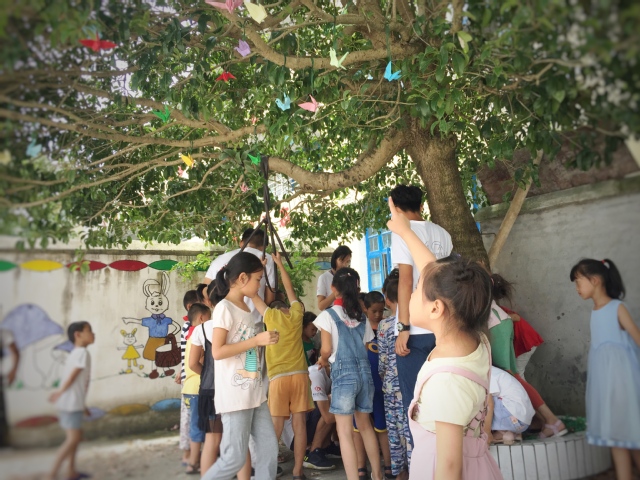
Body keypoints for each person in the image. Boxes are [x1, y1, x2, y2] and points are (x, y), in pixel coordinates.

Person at [386, 197, 501, 480]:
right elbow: (432, 270)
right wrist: (406, 232)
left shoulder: (447, 381)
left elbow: (449, 468)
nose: (411, 294)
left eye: (416, 290)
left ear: (436, 308)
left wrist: (406, 232)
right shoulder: (473, 341)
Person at [201, 252, 280, 480]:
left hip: (255, 394)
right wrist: (256, 341)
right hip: (235, 397)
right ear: (243, 278)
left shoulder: (244, 306)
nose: (259, 285)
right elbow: (217, 351)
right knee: (234, 458)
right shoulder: (224, 308)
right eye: (257, 279)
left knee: (268, 451)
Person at [388, 185, 453, 440]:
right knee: (445, 399)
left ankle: (424, 457)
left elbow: (405, 281)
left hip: (415, 330)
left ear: (395, 208)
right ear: (421, 204)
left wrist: (403, 327)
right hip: (442, 327)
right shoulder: (442, 233)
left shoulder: (402, 232)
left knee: (416, 403)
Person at [571, 258, 640, 480]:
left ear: (595, 280)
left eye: (578, 281)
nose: (577, 288)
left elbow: (637, 339)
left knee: (631, 435)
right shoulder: (595, 311)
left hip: (623, 384)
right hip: (606, 387)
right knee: (616, 436)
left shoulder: (617, 308)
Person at [313, 268, 383, 480]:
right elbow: (366, 344)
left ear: (333, 288)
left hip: (344, 376)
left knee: (344, 433)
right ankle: (377, 474)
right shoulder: (361, 316)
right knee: (366, 426)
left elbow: (326, 349)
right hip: (365, 374)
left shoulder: (328, 315)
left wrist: (322, 360)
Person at [252, 252, 311, 480]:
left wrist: (260, 270)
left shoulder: (270, 316)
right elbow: (289, 288)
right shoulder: (297, 314)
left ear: (274, 308)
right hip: (300, 376)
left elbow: (254, 294)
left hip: (278, 379)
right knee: (300, 425)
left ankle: (266, 472)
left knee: (275, 428)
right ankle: (298, 471)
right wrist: (278, 264)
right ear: (286, 306)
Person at [486, 300, 566, 439]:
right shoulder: (499, 309)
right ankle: (540, 421)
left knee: (509, 376)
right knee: (512, 377)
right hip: (497, 322)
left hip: (492, 323)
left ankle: (549, 419)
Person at [46, 322, 95, 480]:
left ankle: (71, 471)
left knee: (76, 436)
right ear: (78, 335)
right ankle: (51, 475)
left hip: (72, 403)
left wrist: (83, 405)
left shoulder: (75, 353)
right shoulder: (82, 353)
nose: (93, 334)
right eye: (89, 331)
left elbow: (78, 383)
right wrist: (60, 392)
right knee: (73, 438)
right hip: (70, 403)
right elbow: (73, 376)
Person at [203, 228, 276, 323]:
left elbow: (204, 291)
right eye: (258, 279)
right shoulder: (268, 260)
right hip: (256, 322)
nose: (259, 285)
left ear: (241, 243)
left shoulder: (220, 259)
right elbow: (270, 299)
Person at [355, 291, 392, 479]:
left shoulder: (386, 327)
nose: (378, 315)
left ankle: (388, 466)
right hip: (362, 384)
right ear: (365, 309)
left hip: (380, 386)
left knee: (382, 427)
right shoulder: (360, 328)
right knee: (358, 428)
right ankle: (361, 467)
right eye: (374, 311)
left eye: (381, 310)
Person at [378, 270, 410, 480]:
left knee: (395, 434)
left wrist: (385, 376)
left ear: (387, 300)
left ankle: (400, 474)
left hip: (391, 389)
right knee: (412, 431)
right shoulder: (415, 323)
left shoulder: (384, 325)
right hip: (412, 386)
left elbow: (382, 361)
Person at [490, 274, 543, 380]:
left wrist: (506, 318)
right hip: (525, 340)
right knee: (517, 373)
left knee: (518, 373)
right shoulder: (498, 309)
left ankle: (523, 390)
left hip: (526, 341)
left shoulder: (499, 312)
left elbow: (516, 318)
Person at [181, 303, 211, 474]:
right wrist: (208, 377)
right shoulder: (200, 337)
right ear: (201, 318)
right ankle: (194, 462)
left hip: (189, 389)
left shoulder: (190, 336)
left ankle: (196, 461)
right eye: (209, 317)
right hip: (197, 389)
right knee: (200, 427)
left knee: (196, 425)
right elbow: (196, 363)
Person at [176, 289, 199, 466]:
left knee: (192, 419)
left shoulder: (189, 327)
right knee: (189, 419)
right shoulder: (189, 327)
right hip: (191, 379)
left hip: (189, 376)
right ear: (191, 307)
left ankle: (193, 455)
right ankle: (187, 454)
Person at [488, 366, 535, 445]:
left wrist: (486, 432)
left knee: (485, 399)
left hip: (513, 418)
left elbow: (490, 404)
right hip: (522, 422)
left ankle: (498, 434)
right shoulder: (494, 371)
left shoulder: (488, 374)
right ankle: (510, 433)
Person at [317, 246, 352, 311]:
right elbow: (321, 306)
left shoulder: (350, 276)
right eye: (341, 261)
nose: (344, 265)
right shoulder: (324, 278)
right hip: (332, 313)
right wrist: (337, 292)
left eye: (347, 261)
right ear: (335, 259)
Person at [0, 327, 19, 447]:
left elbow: (15, 351)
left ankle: (2, 442)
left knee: (1, 413)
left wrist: (13, 371)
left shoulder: (3, 333)